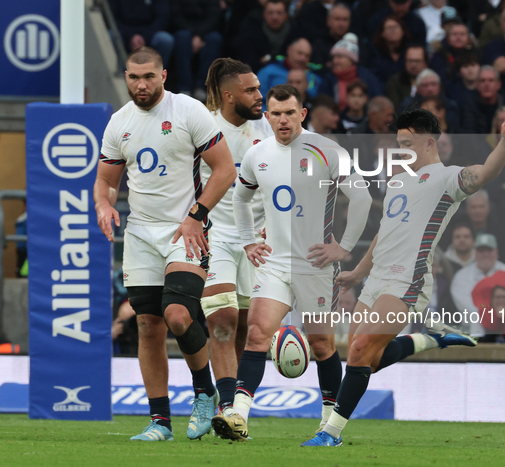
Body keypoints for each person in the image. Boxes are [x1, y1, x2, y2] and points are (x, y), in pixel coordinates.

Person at [299, 107, 505, 447]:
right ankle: (431, 339)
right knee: (366, 359)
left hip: (408, 280)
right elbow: (384, 232)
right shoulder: (397, 181)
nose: (401, 150)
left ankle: (329, 433)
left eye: (407, 143)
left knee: (361, 350)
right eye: (398, 143)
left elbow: (483, 175)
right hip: (375, 279)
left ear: (429, 143)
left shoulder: (446, 178)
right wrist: (358, 273)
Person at [211, 84, 373, 440]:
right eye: (276, 113)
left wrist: (343, 248)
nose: (282, 120)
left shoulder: (327, 150)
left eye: (289, 113)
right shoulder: (258, 154)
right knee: (256, 335)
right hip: (273, 264)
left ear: (302, 114)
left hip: (315, 266)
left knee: (321, 345)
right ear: (266, 116)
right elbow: (240, 199)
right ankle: (238, 417)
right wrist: (248, 240)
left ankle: (328, 424)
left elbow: (361, 198)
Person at [94, 47, 236, 441]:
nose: (141, 85)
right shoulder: (118, 123)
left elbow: (225, 170)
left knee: (177, 315)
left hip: (185, 229)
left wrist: (197, 215)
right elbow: (105, 180)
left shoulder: (189, 112)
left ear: (164, 75)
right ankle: (160, 422)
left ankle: (204, 393)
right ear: (125, 76)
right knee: (147, 324)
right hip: (141, 232)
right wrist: (103, 204)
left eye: (149, 77)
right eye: (134, 77)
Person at [200, 58, 274, 415]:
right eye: (251, 90)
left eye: (259, 88)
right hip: (214, 234)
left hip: (256, 241)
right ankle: (227, 408)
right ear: (229, 96)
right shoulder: (203, 128)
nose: (260, 95)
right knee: (222, 319)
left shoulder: (270, 132)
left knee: (246, 326)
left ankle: (234, 404)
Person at [170, 0, 223, 100]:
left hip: (206, 30)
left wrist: (199, 35)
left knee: (215, 39)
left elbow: (214, 16)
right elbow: (176, 16)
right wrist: (193, 34)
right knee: (182, 38)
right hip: (184, 29)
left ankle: (202, 86)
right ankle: (184, 87)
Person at [109, 0, 174, 68]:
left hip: (150, 33)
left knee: (165, 40)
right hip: (124, 32)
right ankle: (119, 73)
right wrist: (131, 36)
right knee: (110, 36)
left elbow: (162, 18)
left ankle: (155, 75)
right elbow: (112, 18)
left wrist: (144, 37)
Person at [385, 44, 428, 111]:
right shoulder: (395, 81)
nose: (413, 65)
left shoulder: (433, 80)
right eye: (410, 61)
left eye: (417, 61)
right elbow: (395, 108)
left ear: (425, 63)